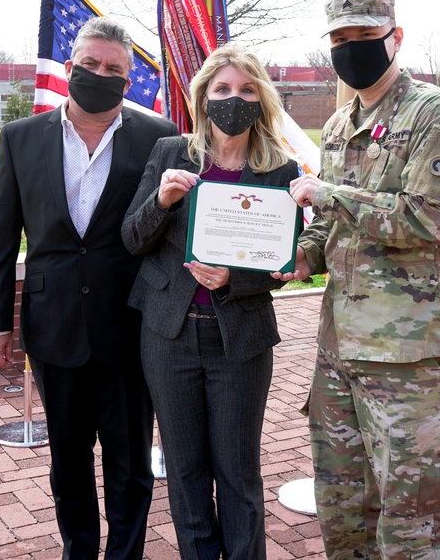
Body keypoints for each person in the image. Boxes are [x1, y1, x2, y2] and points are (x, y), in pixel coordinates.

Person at [273, 0, 440, 560]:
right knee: (342, 506)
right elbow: (330, 224)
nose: (351, 48)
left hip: (406, 356)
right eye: (340, 38)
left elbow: (426, 221)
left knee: (409, 518)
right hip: (338, 348)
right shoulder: (340, 125)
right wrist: (302, 255)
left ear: (395, 38)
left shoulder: (437, 116)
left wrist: (327, 195)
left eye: (364, 36)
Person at [0, 16, 177, 560]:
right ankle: (79, 552)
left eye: (114, 68)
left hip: (130, 326)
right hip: (54, 325)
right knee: (68, 459)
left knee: (131, 462)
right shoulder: (21, 138)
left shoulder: (158, 137)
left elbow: (168, 231)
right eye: (90, 64)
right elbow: (0, 238)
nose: (100, 74)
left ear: (129, 80)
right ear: (70, 68)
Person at [121, 44, 300, 560]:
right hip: (168, 333)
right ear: (202, 97)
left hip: (239, 337)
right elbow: (132, 239)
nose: (233, 99)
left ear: (261, 98)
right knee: (185, 470)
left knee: (239, 471)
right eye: (222, 89)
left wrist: (234, 278)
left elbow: (279, 268)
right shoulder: (170, 154)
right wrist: (161, 201)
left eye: (246, 89)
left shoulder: (279, 170)